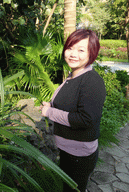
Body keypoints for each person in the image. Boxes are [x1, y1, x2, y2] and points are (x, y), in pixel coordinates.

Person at [40, 29, 106, 192]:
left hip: (79, 155)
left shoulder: (92, 81)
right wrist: (51, 105)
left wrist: (49, 113)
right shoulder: (73, 76)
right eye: (70, 48)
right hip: (68, 150)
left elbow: (85, 119)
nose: (73, 54)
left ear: (92, 52)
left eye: (81, 50)